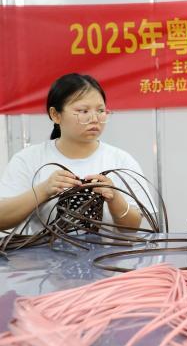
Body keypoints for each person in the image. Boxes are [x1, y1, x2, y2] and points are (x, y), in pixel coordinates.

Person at [0, 73, 150, 233]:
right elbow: (2, 220)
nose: (95, 118)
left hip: (108, 250)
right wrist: (43, 190)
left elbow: (132, 228)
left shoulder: (121, 160)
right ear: (55, 115)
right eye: (83, 111)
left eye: (100, 110)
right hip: (47, 250)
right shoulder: (28, 159)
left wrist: (115, 198)